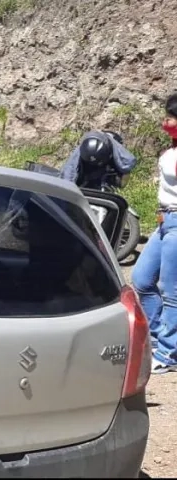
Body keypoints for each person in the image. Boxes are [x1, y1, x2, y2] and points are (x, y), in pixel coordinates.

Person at [132, 93, 177, 375]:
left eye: (171, 117)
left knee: (172, 291)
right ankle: (157, 336)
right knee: (141, 280)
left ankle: (168, 352)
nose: (165, 121)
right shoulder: (172, 148)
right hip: (165, 221)